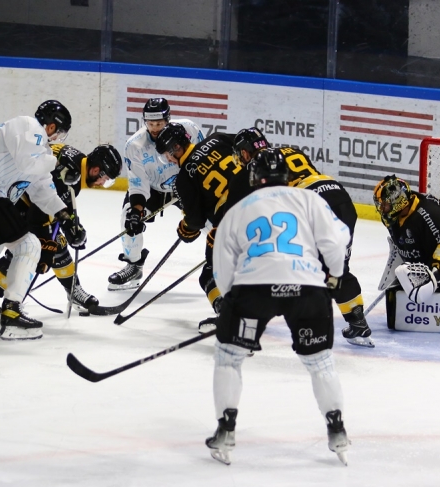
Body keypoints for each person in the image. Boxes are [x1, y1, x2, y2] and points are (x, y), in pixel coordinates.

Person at [208, 148, 352, 466]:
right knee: (321, 363)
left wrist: (235, 304)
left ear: (252, 176)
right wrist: (336, 277)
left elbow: (222, 268)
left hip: (253, 290)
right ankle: (337, 430)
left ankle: (226, 429)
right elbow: (335, 241)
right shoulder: (310, 200)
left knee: (229, 358)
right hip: (308, 288)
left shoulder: (237, 210)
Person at [0, 100, 87, 340]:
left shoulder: (40, 150)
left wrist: (66, 217)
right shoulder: (27, 126)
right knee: (28, 245)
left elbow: (42, 191)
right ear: (51, 125)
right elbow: (29, 163)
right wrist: (58, 162)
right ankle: (12, 312)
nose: (58, 137)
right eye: (59, 131)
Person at [232, 127, 374, 347]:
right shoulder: (289, 150)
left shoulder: (259, 164)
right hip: (339, 196)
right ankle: (357, 323)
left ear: (245, 152)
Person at [0, 143, 123, 321]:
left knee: (56, 243)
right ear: (96, 170)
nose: (103, 183)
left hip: (24, 197)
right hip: (14, 199)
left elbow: (61, 203)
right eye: (105, 179)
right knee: (26, 247)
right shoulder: (68, 172)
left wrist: (73, 226)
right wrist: (46, 241)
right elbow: (41, 211)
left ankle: (73, 289)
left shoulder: (77, 165)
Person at [154, 122, 249, 332]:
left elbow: (195, 222)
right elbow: (250, 147)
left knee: (209, 274)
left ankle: (229, 315)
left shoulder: (183, 179)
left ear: (175, 149)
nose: (168, 159)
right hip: (263, 202)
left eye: (167, 155)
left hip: (232, 220)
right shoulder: (219, 138)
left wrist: (185, 229)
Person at [108, 98, 204, 290]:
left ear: (168, 119)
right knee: (128, 216)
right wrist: (136, 212)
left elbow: (201, 161)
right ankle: (134, 264)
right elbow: (137, 183)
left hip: (186, 184)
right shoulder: (134, 145)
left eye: (159, 123)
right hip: (154, 189)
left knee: (212, 218)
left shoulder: (189, 129)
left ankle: (222, 263)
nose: (154, 128)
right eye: (150, 123)